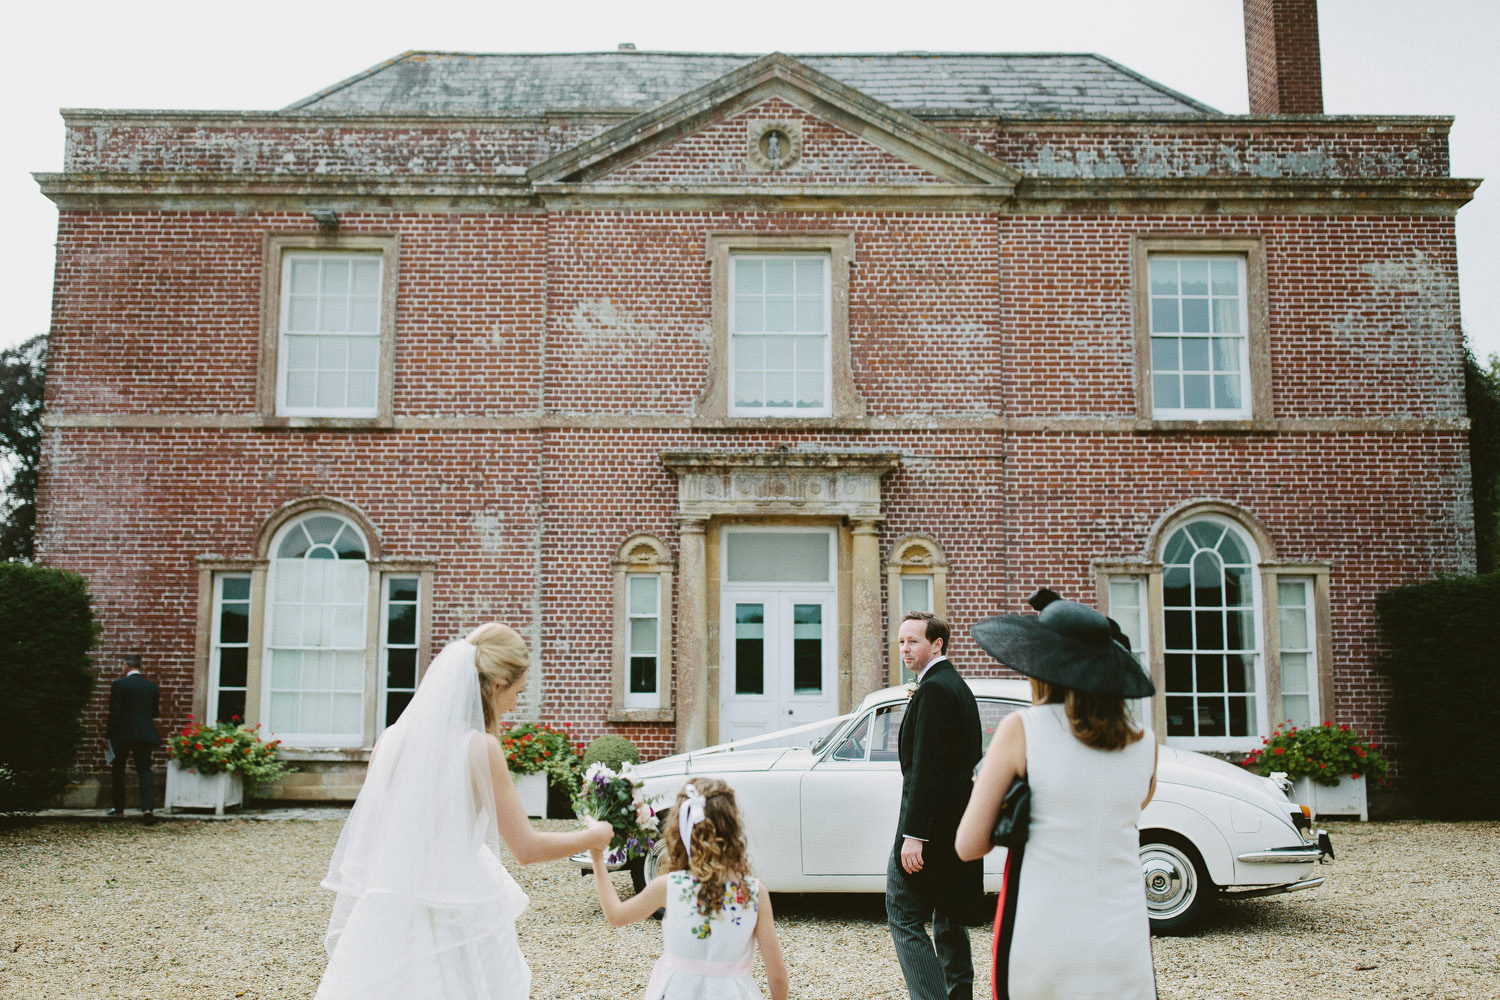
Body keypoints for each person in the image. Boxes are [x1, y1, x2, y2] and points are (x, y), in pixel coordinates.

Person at [316, 623, 614, 1000]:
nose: (515, 704)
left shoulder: (390, 740)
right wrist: (594, 836)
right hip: (457, 905)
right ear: (495, 686)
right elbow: (527, 848)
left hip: (390, 897)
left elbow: (378, 827)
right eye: (517, 693)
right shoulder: (480, 748)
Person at [956, 598, 1159, 1000]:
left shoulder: (1022, 729)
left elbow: (968, 844)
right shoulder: (1144, 741)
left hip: (1043, 929)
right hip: (1124, 932)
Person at [589, 778, 789, 1000]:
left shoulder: (669, 886)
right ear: (733, 829)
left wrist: (597, 857)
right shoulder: (753, 892)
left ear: (680, 830)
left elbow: (616, 915)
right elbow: (777, 977)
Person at [888, 611, 984, 1000]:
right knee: (948, 913)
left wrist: (914, 835)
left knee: (903, 913)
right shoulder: (953, 685)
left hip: (930, 827)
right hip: (954, 826)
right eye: (900, 642)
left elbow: (926, 768)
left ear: (937, 644)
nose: (904, 649)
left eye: (913, 641)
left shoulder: (936, 690)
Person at [106, 655, 160, 825]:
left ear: (126, 666)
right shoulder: (151, 687)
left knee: (118, 769)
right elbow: (154, 712)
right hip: (144, 732)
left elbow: (114, 713)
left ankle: (119, 807)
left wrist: (108, 735)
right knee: (145, 770)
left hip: (123, 732)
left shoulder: (119, 685)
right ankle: (147, 809)